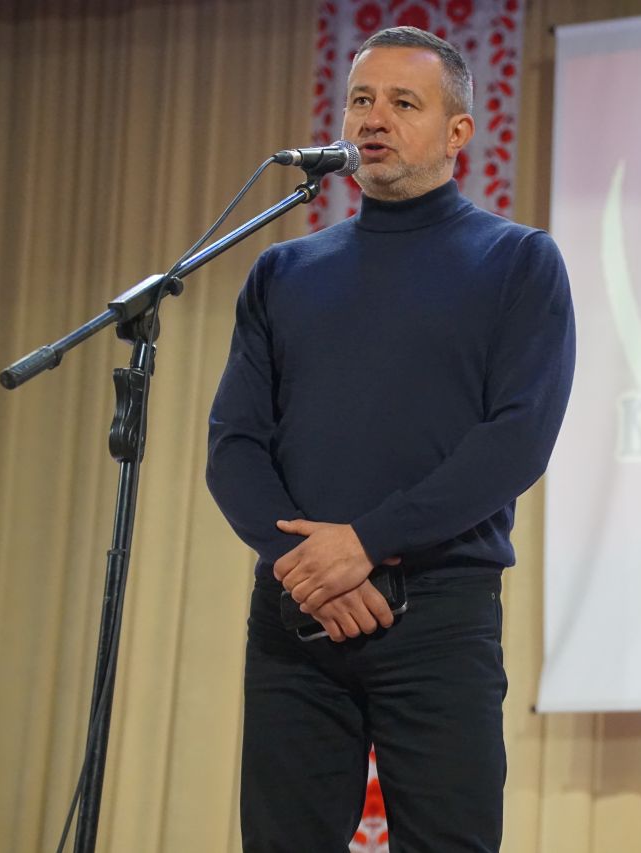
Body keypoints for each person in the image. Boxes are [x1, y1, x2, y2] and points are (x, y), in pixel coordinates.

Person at [205, 26, 575, 853]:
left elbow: (517, 440)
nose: (374, 119)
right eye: (361, 100)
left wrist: (365, 543)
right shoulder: (283, 273)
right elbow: (234, 443)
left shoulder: (517, 261)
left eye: (404, 103)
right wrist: (309, 567)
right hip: (297, 615)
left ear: (457, 132)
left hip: (438, 613)